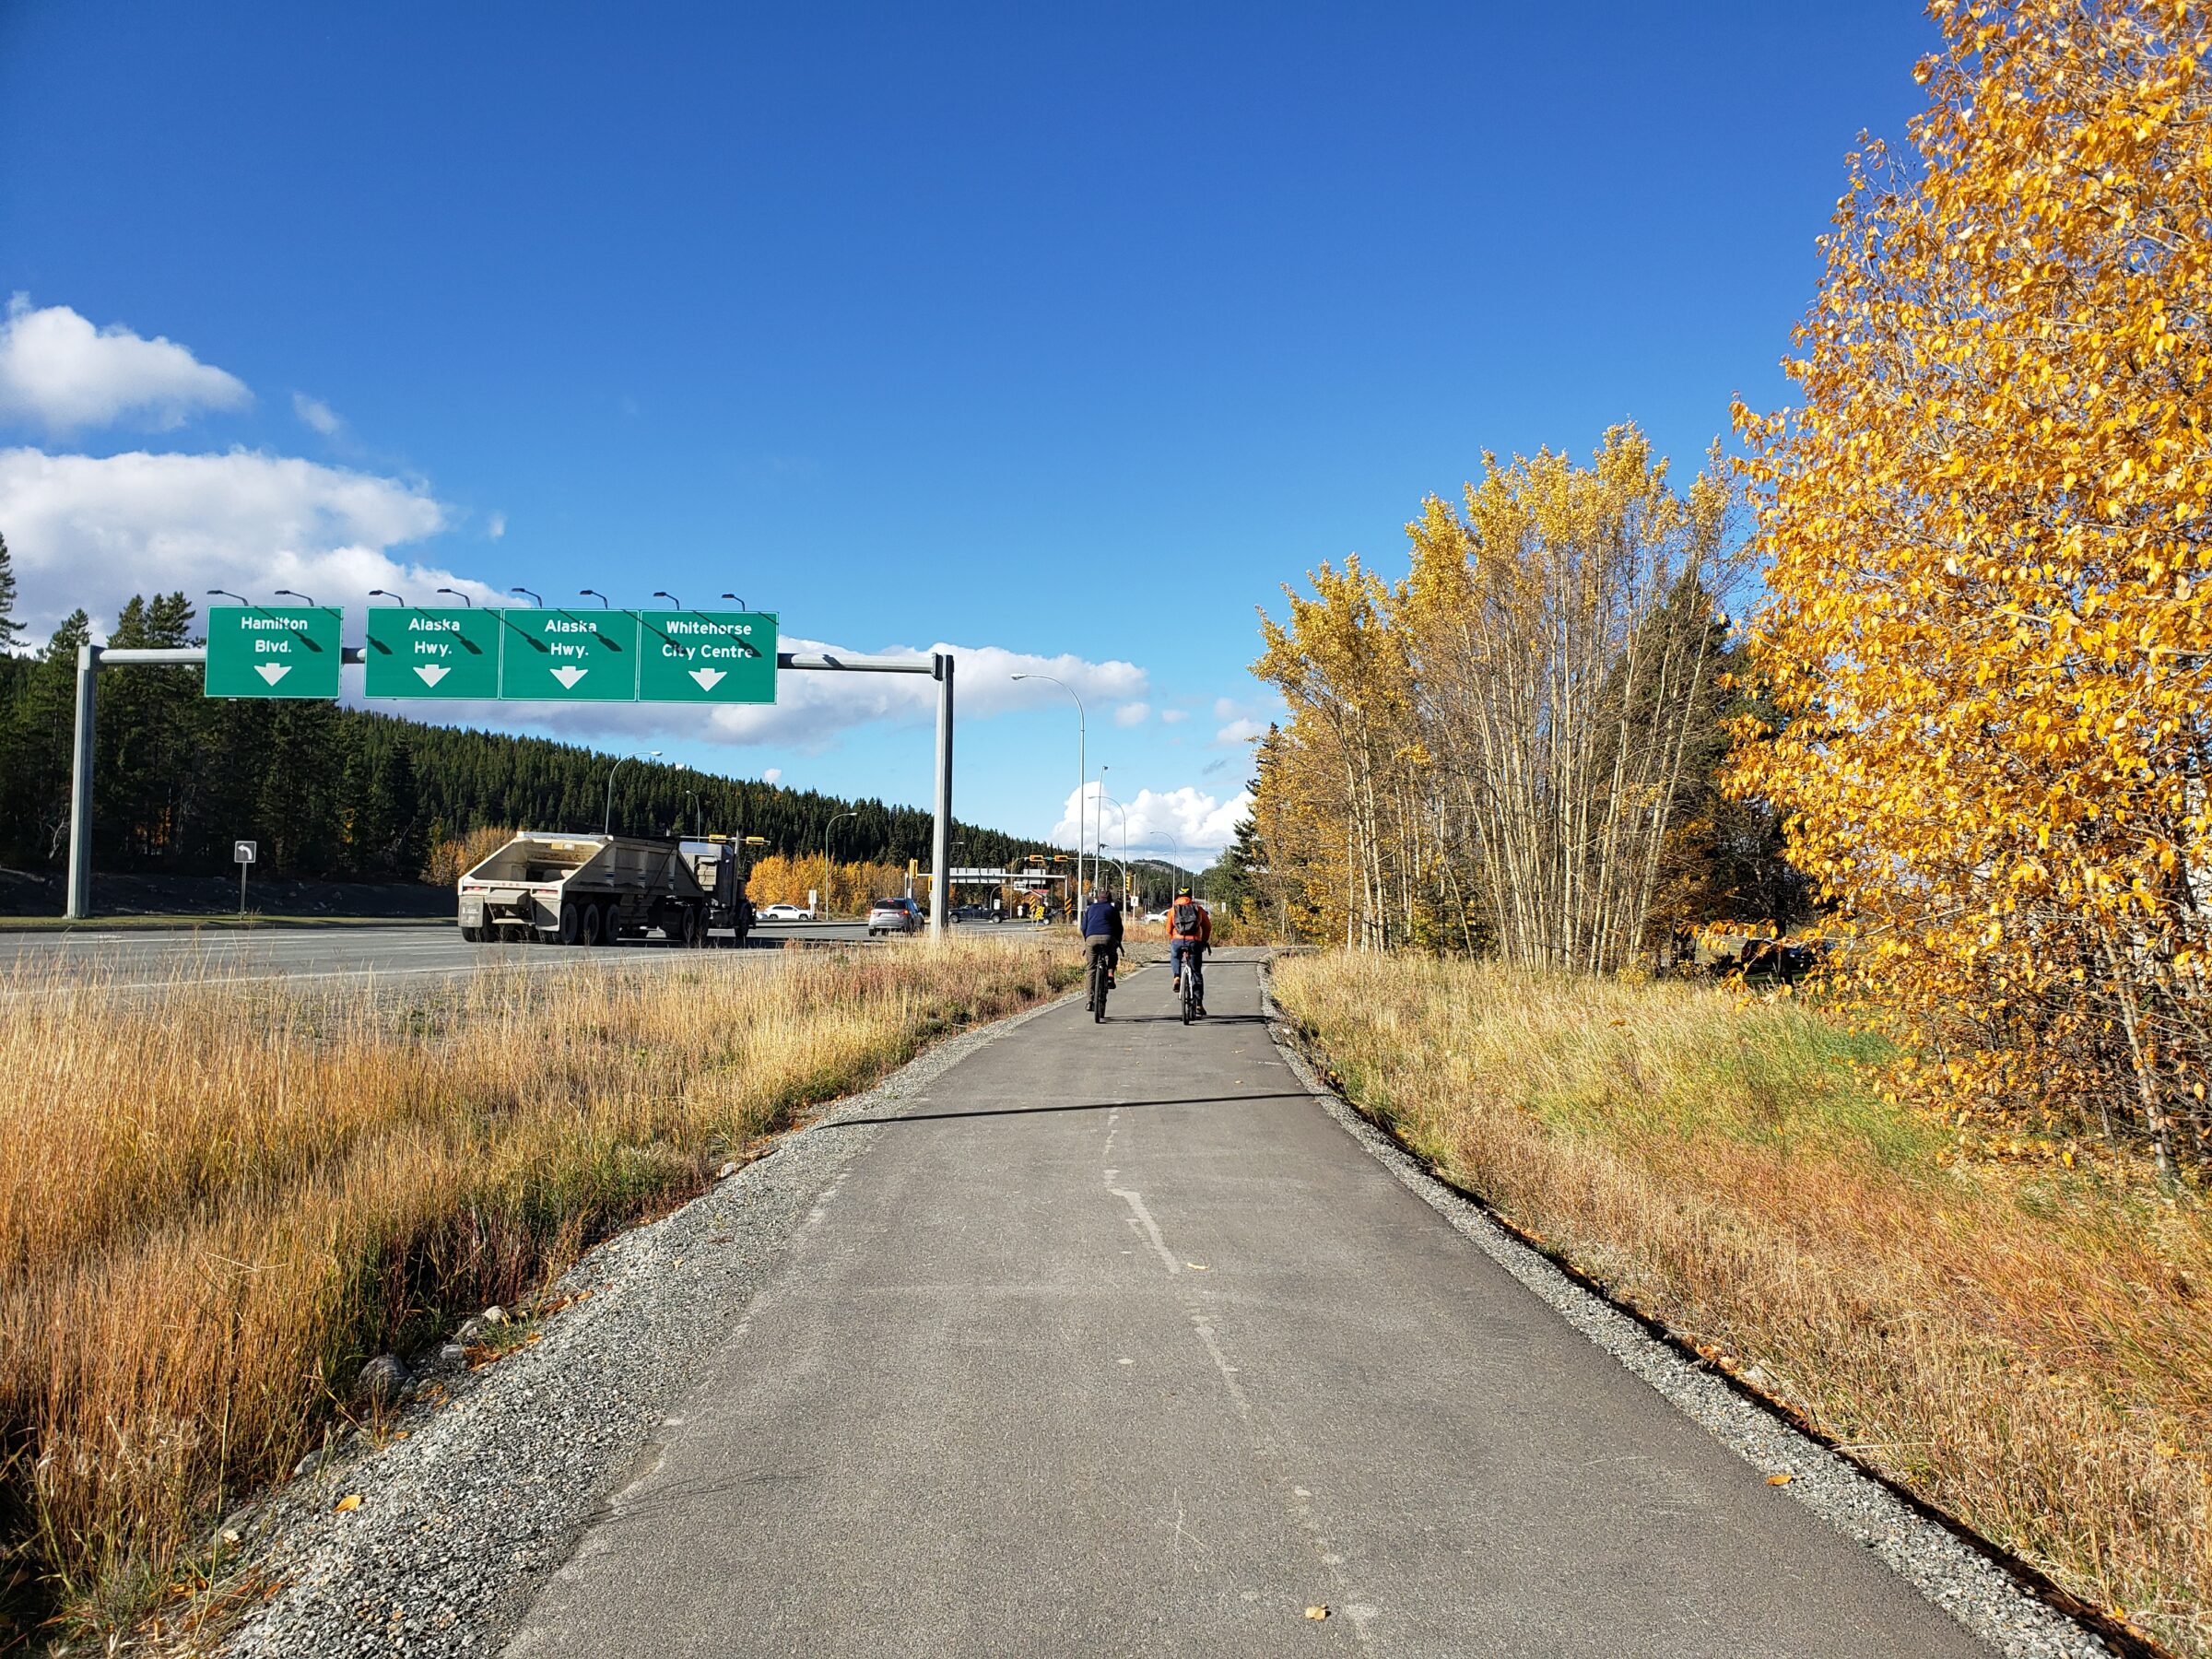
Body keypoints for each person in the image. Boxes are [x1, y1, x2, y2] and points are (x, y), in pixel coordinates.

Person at [1166, 884, 1210, 1016]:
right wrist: (1204, 940)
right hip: (1194, 941)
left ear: (1178, 896)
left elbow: (1168, 928)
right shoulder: (1198, 908)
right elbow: (1207, 927)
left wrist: (1174, 938)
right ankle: (1199, 1004)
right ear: (1191, 896)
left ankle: (1177, 977)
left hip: (1177, 940)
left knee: (1175, 956)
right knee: (1196, 972)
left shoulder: (1173, 909)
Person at [1080, 886, 1123, 1006]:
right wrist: (1118, 941)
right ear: (1109, 899)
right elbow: (1119, 928)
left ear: (1098, 898)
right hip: (1109, 938)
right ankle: (1110, 975)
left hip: (1091, 939)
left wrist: (1086, 939)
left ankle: (1089, 1001)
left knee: (1091, 969)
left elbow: (1083, 927)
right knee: (1113, 956)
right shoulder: (1112, 909)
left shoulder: (1091, 909)